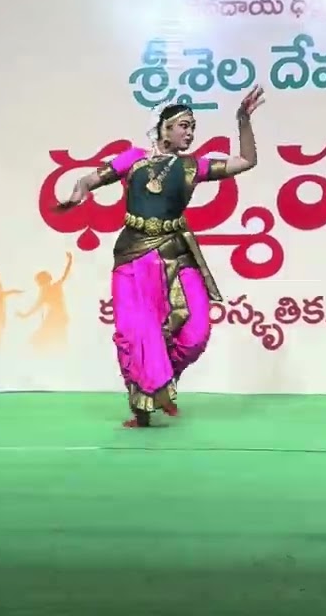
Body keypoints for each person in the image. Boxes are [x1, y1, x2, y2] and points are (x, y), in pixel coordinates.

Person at [59, 87, 265, 427]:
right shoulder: (134, 159)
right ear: (164, 129)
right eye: (183, 125)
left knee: (196, 332)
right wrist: (79, 190)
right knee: (137, 331)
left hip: (174, 254)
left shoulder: (191, 167)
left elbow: (246, 161)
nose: (189, 132)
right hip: (133, 257)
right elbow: (90, 178)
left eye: (192, 127)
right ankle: (142, 409)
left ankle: (160, 379)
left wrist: (242, 120)